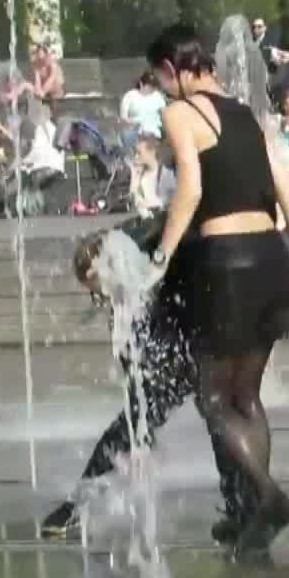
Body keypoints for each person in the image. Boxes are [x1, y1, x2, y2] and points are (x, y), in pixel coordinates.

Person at [146, 23, 289, 557]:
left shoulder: (181, 113)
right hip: (270, 257)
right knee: (246, 395)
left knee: (211, 397)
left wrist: (160, 257)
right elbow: (288, 196)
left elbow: (190, 189)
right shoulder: (245, 113)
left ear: (172, 69)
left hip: (226, 262)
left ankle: (268, 498)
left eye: (160, 79)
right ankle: (251, 513)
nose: (161, 89)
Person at [40, 213, 247, 543]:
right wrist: (141, 428)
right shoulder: (124, 284)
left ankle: (242, 503)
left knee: (216, 416)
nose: (99, 296)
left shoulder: (147, 267)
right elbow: (130, 359)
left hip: (200, 336)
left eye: (97, 288)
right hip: (188, 345)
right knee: (185, 419)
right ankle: (75, 504)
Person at [129, 135, 177, 218]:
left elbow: (177, 199)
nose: (136, 156)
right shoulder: (140, 175)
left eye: (139, 153)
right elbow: (133, 198)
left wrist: (153, 203)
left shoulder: (166, 174)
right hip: (145, 221)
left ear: (152, 152)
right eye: (135, 153)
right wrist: (133, 173)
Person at [119, 71, 167, 150]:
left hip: (153, 132)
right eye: (149, 86)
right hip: (135, 131)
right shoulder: (130, 96)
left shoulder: (158, 97)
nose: (151, 89)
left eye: (153, 87)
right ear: (141, 84)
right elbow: (123, 118)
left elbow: (164, 115)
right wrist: (135, 125)